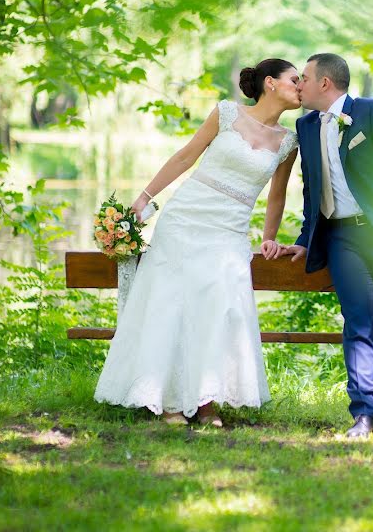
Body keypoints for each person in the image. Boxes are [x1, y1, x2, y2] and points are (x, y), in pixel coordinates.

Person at [94, 58, 300, 427]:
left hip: (230, 231)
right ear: (270, 83)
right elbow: (186, 156)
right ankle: (169, 401)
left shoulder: (288, 142)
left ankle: (206, 401)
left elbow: (277, 196)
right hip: (185, 219)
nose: (301, 87)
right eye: (294, 79)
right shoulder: (225, 113)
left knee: (219, 309)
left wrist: (269, 238)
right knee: (172, 305)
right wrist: (145, 197)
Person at [280, 53, 373, 437]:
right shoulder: (306, 126)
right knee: (359, 321)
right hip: (342, 238)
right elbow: (311, 191)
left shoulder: (372, 112)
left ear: (325, 84)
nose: (299, 85)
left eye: (305, 78)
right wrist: (304, 239)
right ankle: (363, 412)